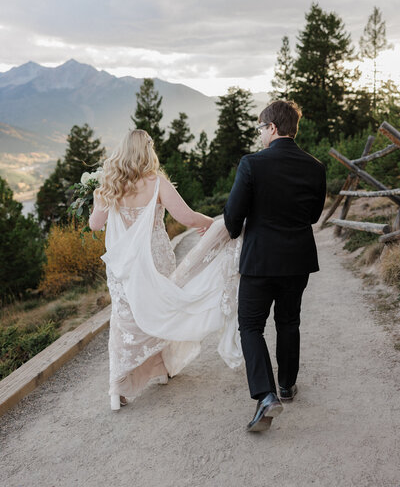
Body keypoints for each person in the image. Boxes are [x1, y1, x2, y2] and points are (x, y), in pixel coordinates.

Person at [89, 129, 242, 411]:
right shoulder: (157, 183)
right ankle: (161, 370)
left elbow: (95, 225)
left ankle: (122, 386)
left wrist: (100, 201)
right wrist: (217, 225)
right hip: (155, 258)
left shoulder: (108, 186)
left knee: (127, 320)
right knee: (160, 309)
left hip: (124, 266)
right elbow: (186, 217)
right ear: (147, 151)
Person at [224, 100, 326, 432]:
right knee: (288, 321)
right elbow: (313, 216)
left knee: (250, 326)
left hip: (259, 261)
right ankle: (287, 385)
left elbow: (233, 218)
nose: (260, 135)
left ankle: (266, 395)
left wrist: (238, 228)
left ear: (271, 128)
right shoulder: (315, 166)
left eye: (260, 129)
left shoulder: (251, 164)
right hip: (297, 261)